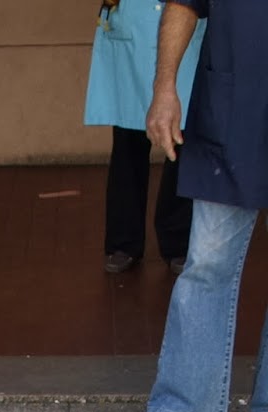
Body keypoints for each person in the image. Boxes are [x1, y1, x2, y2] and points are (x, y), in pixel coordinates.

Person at [113, 0, 268, 412]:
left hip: (231, 99)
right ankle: (184, 405)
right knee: (207, 261)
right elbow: (184, 3)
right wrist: (164, 89)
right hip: (232, 106)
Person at [85, 0, 204, 275]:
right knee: (128, 142)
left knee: (182, 143)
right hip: (134, 24)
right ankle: (123, 243)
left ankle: (178, 242)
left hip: (185, 27)